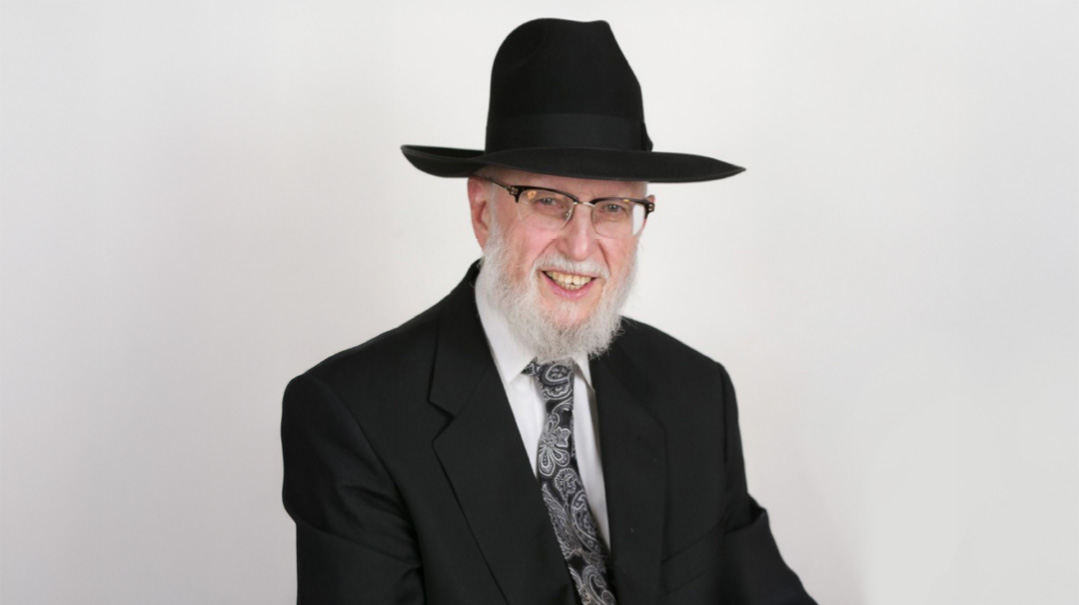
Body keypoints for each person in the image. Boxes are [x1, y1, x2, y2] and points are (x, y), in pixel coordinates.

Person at [281, 18, 816, 605]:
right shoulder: (355, 417)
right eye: (547, 201)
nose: (581, 247)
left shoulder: (694, 393)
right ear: (483, 210)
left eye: (612, 208)